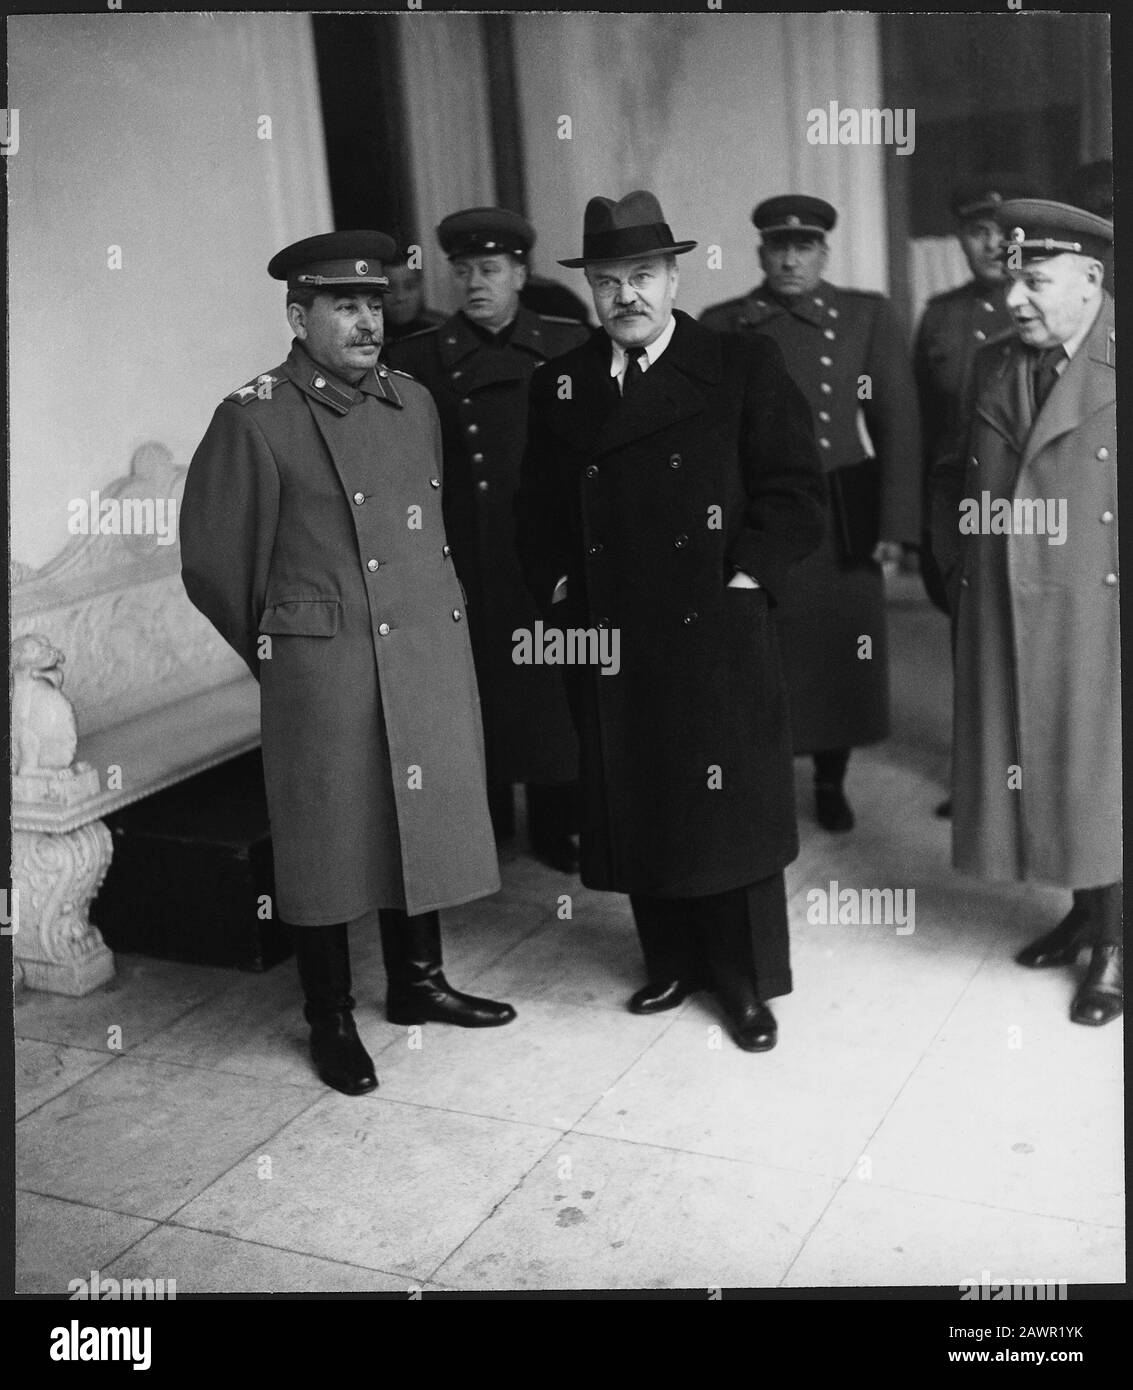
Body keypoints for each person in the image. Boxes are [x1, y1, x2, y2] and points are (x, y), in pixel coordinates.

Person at [180, 230, 516, 1097]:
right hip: (322, 664)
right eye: (344, 306)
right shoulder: (254, 415)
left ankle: (418, 982)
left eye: (374, 304)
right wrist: (289, 642)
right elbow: (216, 565)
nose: (367, 322)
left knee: (421, 811)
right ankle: (328, 1015)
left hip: (422, 647)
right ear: (299, 316)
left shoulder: (414, 401)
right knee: (324, 836)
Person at [516, 190, 825, 1051]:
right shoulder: (562, 383)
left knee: (727, 808)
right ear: (590, 289)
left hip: (715, 628)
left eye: (643, 276)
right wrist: (562, 601)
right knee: (640, 794)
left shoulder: (738, 364)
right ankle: (673, 962)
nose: (627, 297)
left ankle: (747, 980)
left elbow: (797, 495)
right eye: (608, 280)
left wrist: (745, 580)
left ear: (674, 276)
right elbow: (533, 514)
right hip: (612, 635)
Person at [931, 200, 1120, 1026]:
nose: (1014, 298)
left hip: (1099, 608)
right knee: (1040, 763)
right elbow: (950, 474)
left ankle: (1113, 942)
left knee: (1099, 771)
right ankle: (1082, 912)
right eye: (1013, 278)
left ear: (1090, 281)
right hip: (1006, 600)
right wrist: (957, 570)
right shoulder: (990, 362)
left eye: (1034, 281)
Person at [700, 196, 921, 833]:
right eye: (778, 247)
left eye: (804, 247)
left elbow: (897, 424)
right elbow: (711, 437)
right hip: (761, 510)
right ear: (761, 253)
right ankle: (767, 779)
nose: (790, 259)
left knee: (837, 655)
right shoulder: (726, 323)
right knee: (761, 651)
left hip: (839, 510)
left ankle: (831, 780)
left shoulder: (864, 316)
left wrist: (894, 528)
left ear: (824, 252)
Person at [386, 208, 589, 872]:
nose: (476, 283)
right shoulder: (416, 358)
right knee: (480, 688)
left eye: (491, 270)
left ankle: (560, 823)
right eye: (464, 271)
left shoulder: (567, 345)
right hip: (465, 554)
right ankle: (490, 821)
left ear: (520, 274)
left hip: (549, 553)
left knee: (554, 689)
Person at [914, 175, 1037, 617]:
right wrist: (927, 532)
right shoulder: (939, 317)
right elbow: (923, 432)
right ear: (960, 240)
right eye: (977, 232)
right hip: (961, 521)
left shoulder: (1046, 311)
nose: (992, 245)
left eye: (1003, 232)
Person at [380, 250, 446, 344]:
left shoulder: (443, 331)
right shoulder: (365, 336)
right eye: (390, 288)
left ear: (421, 287)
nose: (400, 297)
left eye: (409, 287)